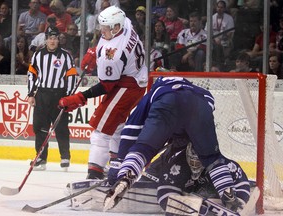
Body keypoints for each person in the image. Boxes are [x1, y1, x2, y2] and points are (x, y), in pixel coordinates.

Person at [103, 76, 248, 213]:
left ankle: (127, 175)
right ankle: (227, 193)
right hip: (199, 106)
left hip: (167, 103)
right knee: (212, 157)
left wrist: (121, 164)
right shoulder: (202, 93)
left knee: (143, 149)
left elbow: (130, 133)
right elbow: (207, 111)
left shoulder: (156, 91)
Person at [58, 6, 148, 179]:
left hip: (127, 85)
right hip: (135, 78)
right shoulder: (126, 23)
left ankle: (95, 174)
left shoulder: (112, 55)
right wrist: (95, 51)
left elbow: (106, 86)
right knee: (116, 125)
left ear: (116, 28)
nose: (101, 30)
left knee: (101, 130)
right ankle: (117, 163)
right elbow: (105, 41)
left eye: (105, 28)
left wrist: (80, 97)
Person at [27, 26, 77, 170]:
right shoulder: (38, 55)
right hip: (41, 95)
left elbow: (72, 76)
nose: (53, 41)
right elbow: (32, 75)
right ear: (46, 39)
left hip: (59, 95)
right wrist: (31, 94)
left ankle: (65, 157)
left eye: (55, 38)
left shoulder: (66, 56)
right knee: (40, 127)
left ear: (58, 40)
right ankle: (41, 158)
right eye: (50, 38)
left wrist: (68, 96)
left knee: (61, 128)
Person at [156, 142, 250, 215]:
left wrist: (238, 202)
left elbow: (242, 184)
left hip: (215, 201)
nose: (195, 165)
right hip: (188, 201)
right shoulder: (176, 166)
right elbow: (164, 196)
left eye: (199, 162)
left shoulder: (225, 165)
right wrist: (188, 207)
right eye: (193, 161)